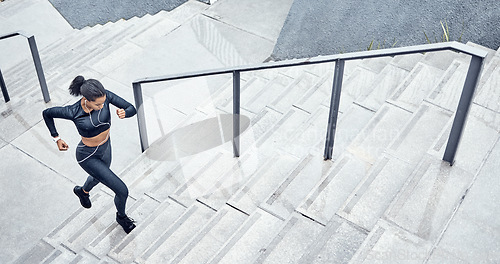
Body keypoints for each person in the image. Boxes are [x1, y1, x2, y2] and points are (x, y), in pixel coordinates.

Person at [42, 76, 137, 233]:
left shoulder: (105, 96)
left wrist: (125, 113)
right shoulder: (73, 111)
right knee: (122, 190)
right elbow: (47, 113)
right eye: (97, 104)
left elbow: (131, 108)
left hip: (106, 147)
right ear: (87, 99)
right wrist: (56, 138)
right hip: (88, 156)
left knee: (99, 176)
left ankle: (82, 191)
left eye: (103, 102)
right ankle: (121, 217)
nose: (102, 106)